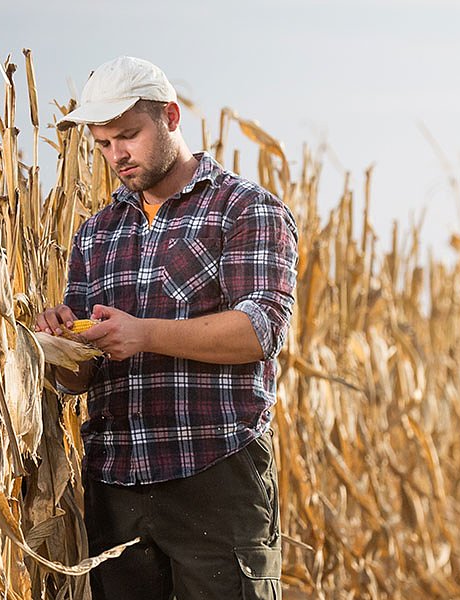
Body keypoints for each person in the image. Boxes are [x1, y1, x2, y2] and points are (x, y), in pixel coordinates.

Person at [35, 56, 297, 600]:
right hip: (116, 481)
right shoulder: (95, 235)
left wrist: (145, 334)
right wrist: (63, 346)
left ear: (171, 117)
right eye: (103, 143)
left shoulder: (244, 209)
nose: (117, 156)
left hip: (214, 471)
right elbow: (80, 381)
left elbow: (260, 329)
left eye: (128, 136)